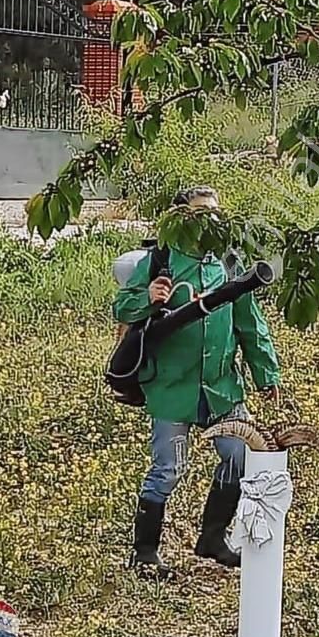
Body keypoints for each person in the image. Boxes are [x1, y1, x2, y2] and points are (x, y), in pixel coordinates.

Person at [113, 186, 281, 578]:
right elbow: (123, 306)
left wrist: (266, 372)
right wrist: (148, 298)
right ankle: (145, 552)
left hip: (221, 386)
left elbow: (249, 323)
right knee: (168, 469)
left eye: (215, 213)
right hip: (173, 387)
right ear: (180, 219)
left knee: (240, 456)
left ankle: (212, 537)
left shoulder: (227, 263)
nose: (210, 221)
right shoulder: (163, 260)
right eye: (200, 213)